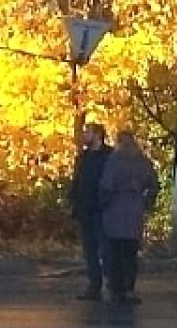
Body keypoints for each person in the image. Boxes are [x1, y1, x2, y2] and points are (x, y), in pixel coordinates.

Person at [99, 130, 160, 305]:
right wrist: (146, 202)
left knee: (114, 252)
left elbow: (107, 186)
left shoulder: (114, 161)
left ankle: (115, 289)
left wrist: (104, 204)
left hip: (115, 210)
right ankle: (129, 289)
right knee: (130, 253)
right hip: (134, 209)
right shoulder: (142, 162)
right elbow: (154, 184)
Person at [67, 122, 112, 300]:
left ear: (98, 135)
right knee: (89, 250)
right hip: (85, 210)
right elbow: (77, 181)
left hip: (102, 211)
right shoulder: (83, 157)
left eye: (88, 132)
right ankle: (94, 284)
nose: (85, 135)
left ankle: (113, 284)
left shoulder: (109, 157)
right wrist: (72, 199)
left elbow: (110, 182)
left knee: (106, 249)